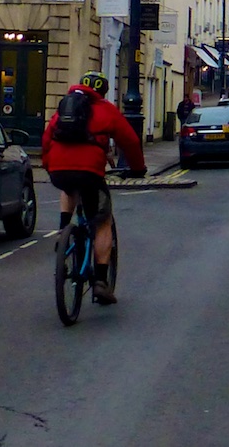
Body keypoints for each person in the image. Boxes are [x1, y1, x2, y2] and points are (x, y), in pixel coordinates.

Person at [41, 71, 145, 304]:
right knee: (102, 221)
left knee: (68, 189)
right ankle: (100, 281)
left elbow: (47, 138)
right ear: (103, 91)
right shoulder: (106, 109)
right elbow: (130, 141)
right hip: (90, 173)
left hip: (59, 170)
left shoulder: (65, 107)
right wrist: (138, 168)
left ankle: (63, 229)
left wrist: (49, 165)